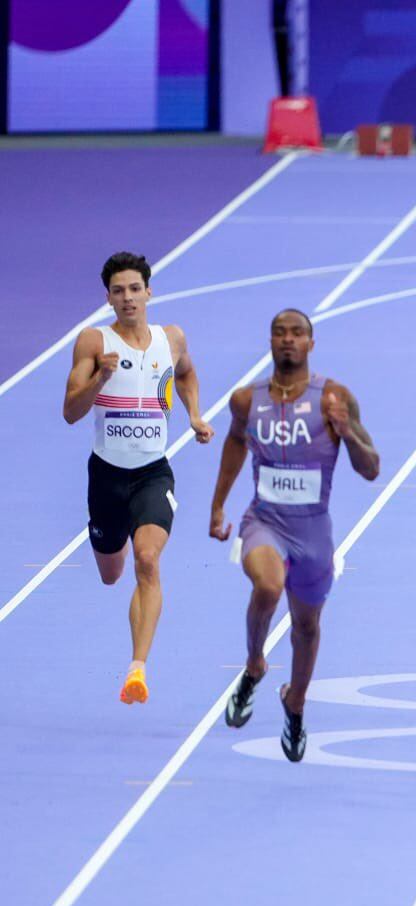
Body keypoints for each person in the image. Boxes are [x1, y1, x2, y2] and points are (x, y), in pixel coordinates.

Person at [209, 309, 378, 760]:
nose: (288, 340)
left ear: (310, 344)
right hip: (265, 521)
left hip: (314, 532)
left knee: (306, 627)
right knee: (267, 586)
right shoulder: (246, 400)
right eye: (280, 333)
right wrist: (218, 504)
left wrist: (349, 434)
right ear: (270, 341)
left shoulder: (334, 398)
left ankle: (295, 702)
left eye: (297, 333)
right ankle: (254, 664)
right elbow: (234, 444)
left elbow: (371, 468)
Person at [62, 251, 212, 703]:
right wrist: (99, 380)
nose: (127, 298)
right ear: (107, 298)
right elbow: (70, 412)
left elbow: (185, 374)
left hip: (152, 473)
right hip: (106, 477)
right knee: (113, 573)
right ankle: (116, 539)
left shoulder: (173, 338)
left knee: (148, 561)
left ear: (149, 291)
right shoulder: (93, 343)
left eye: (134, 289)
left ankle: (137, 670)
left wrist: (195, 415)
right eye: (117, 291)